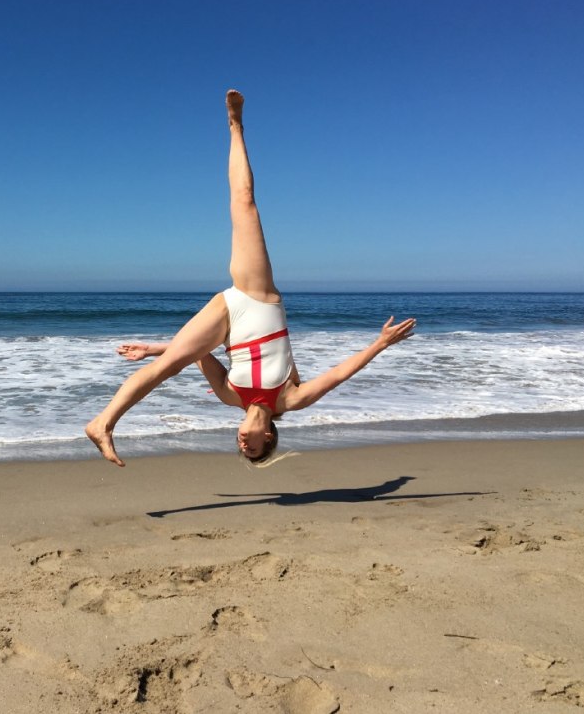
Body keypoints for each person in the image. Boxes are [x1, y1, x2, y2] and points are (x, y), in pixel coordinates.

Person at [85, 90, 416, 468]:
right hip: (255, 295)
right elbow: (340, 373)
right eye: (255, 447)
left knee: (168, 365)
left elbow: (201, 353)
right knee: (244, 201)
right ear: (269, 435)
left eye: (244, 449)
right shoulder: (289, 399)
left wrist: (152, 348)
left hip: (227, 316)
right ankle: (235, 126)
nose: (245, 443)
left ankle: (102, 423)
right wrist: (381, 344)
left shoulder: (231, 397)